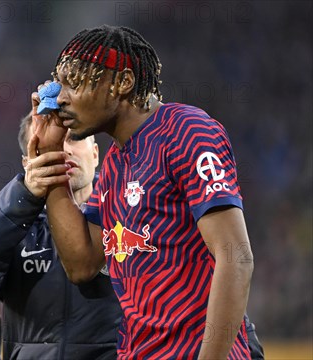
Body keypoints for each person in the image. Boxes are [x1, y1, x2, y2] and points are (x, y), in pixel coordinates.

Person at [23, 25, 260, 359]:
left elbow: (236, 256)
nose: (60, 97)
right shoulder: (112, 169)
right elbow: (81, 264)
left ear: (123, 83)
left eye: (74, 83)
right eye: (60, 84)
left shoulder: (186, 131)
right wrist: (49, 151)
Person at [0, 112, 122, 359]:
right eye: (46, 144)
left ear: (95, 154)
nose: (64, 151)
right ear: (28, 162)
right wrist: (23, 196)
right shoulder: (11, 220)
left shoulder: (126, 214)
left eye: (74, 139)